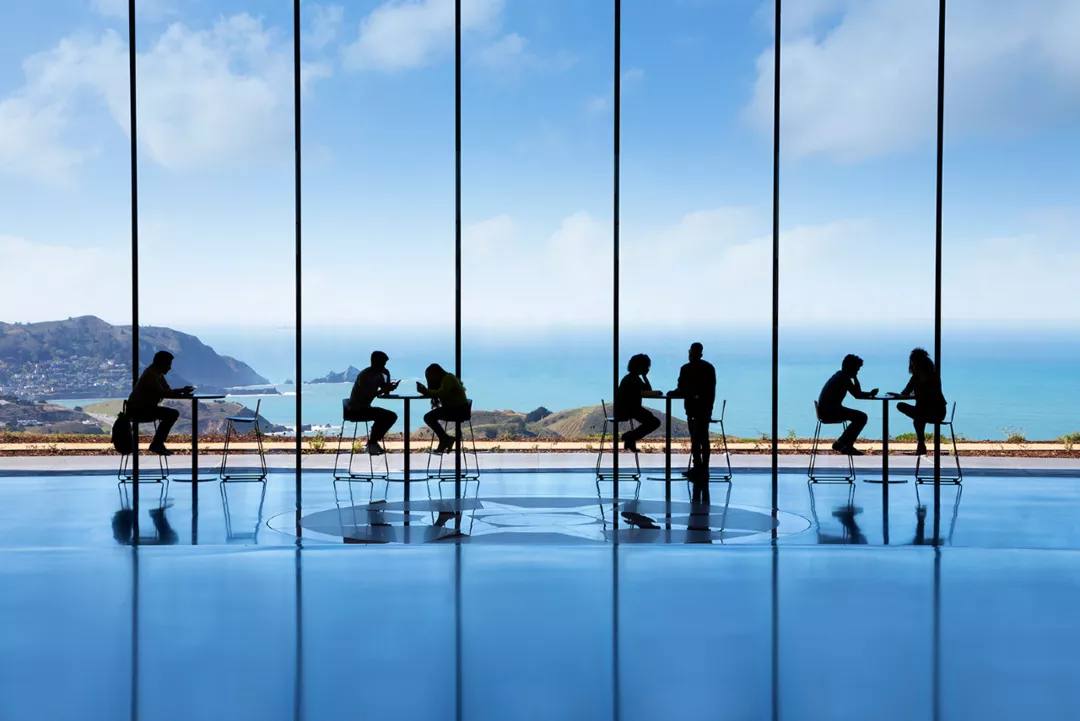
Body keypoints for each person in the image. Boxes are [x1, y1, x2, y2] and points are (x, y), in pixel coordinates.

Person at [127, 350, 193, 456]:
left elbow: (167, 391)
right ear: (161, 364)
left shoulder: (157, 374)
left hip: (142, 408)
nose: (170, 368)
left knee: (171, 414)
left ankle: (158, 444)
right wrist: (181, 392)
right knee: (172, 414)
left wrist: (182, 391)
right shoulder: (151, 375)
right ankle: (157, 444)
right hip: (138, 411)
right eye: (168, 364)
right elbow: (164, 393)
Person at [817, 354, 878, 456]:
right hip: (830, 411)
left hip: (829, 409)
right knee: (861, 417)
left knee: (860, 417)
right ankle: (845, 444)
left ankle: (842, 443)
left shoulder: (840, 375)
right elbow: (857, 395)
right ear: (851, 367)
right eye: (856, 369)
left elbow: (857, 392)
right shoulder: (843, 378)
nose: (857, 371)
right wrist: (869, 393)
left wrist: (855, 378)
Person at [676, 342, 717, 487]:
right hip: (698, 408)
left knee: (698, 437)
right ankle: (701, 467)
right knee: (699, 437)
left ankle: (700, 467)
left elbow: (681, 388)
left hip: (698, 408)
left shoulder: (687, 369)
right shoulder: (707, 368)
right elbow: (710, 390)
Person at [344, 350, 400, 455]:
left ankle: (372, 442)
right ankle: (372, 443)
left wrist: (388, 378)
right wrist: (383, 390)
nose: (384, 366)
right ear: (375, 362)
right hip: (356, 410)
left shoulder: (378, 375)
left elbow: (385, 391)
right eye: (382, 363)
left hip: (365, 408)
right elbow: (368, 395)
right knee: (387, 416)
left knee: (390, 416)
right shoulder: (365, 375)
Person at [895, 347, 947, 457]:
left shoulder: (932, 376)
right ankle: (921, 443)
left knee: (918, 416)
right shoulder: (920, 377)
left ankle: (921, 443)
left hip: (935, 412)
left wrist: (909, 394)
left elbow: (926, 395)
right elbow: (906, 392)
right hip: (927, 411)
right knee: (912, 411)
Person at [417, 363, 469, 454]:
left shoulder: (448, 378)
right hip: (456, 409)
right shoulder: (447, 378)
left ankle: (445, 439)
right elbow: (441, 393)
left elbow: (442, 393)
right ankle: (445, 439)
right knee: (429, 417)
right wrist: (427, 391)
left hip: (457, 410)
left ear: (436, 373)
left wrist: (426, 391)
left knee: (429, 418)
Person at [614, 354, 662, 452]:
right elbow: (648, 390)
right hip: (629, 409)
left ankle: (630, 437)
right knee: (654, 422)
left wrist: (644, 376)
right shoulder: (632, 379)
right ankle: (629, 437)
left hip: (630, 409)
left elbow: (647, 389)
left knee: (652, 421)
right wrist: (644, 376)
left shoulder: (632, 378)